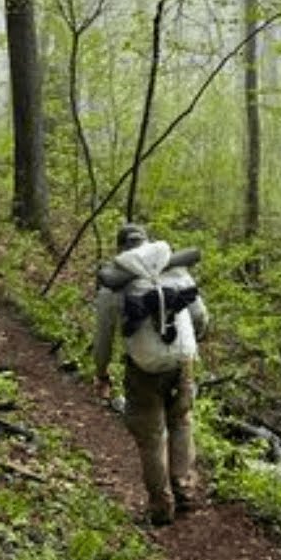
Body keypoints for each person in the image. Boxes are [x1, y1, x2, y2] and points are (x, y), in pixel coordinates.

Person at [94, 223, 208, 526]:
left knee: (151, 435)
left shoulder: (115, 284)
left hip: (144, 367)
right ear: (147, 242)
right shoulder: (176, 269)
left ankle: (161, 506)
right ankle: (184, 489)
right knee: (181, 421)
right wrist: (192, 343)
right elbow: (199, 316)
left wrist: (101, 370)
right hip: (182, 360)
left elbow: (104, 334)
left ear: (121, 249)